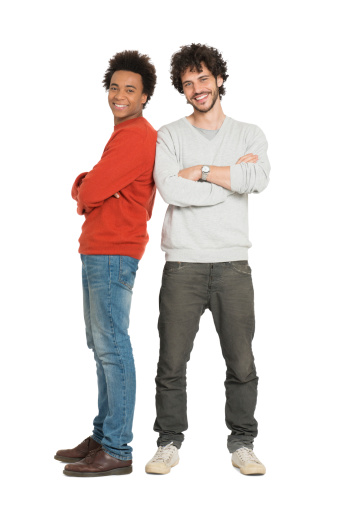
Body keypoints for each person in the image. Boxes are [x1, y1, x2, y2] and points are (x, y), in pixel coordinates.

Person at [145, 43, 270, 476]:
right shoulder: (169, 135)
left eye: (203, 78)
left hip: (233, 263)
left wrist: (197, 170)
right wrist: (231, 178)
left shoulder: (249, 133)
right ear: (182, 90)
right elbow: (170, 190)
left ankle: (243, 443)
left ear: (218, 78)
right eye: (188, 83)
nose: (197, 88)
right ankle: (168, 441)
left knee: (241, 361)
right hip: (183, 263)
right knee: (172, 360)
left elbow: (259, 178)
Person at [54, 50, 157, 477]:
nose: (119, 95)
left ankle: (118, 448)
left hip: (113, 252)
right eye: (114, 87)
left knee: (113, 347)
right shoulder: (121, 134)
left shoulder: (136, 135)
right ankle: (103, 435)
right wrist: (92, 187)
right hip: (98, 249)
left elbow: (91, 189)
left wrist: (84, 185)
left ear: (145, 96)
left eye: (129, 89)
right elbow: (97, 188)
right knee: (101, 348)